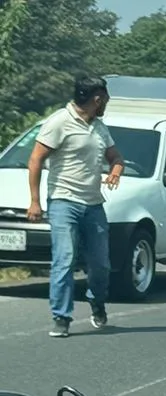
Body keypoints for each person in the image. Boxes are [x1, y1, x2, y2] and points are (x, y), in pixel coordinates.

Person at [27, 75, 124, 337]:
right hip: (63, 201)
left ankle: (97, 301)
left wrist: (116, 168)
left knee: (101, 264)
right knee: (64, 260)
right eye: (105, 99)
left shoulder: (100, 126)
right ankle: (61, 317)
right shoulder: (59, 121)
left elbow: (115, 156)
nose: (106, 103)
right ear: (97, 99)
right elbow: (35, 160)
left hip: (93, 205)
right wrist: (35, 201)